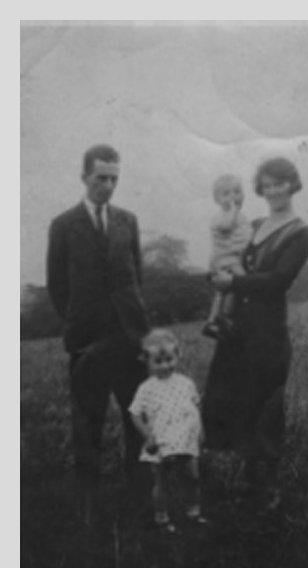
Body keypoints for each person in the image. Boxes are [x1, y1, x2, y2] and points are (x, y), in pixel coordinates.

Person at [203, 157, 308, 509]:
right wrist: (218, 272)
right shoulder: (254, 224)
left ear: (292, 184)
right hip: (238, 329)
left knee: (265, 407)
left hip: (267, 332)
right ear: (260, 189)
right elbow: (227, 249)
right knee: (235, 402)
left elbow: (279, 281)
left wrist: (234, 280)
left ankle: (267, 490)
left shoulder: (300, 232)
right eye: (266, 185)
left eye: (280, 183)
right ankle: (247, 484)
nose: (273, 190)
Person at [46, 144, 149, 506]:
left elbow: (136, 275)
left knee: (136, 416)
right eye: (100, 178)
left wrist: (137, 327)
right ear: (84, 177)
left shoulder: (128, 221)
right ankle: (88, 500)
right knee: (87, 421)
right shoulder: (63, 225)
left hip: (130, 338)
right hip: (87, 341)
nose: (108, 185)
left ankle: (139, 493)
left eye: (114, 179)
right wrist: (78, 324)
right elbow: (57, 284)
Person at [129, 329, 207, 533]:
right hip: (161, 441)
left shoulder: (186, 383)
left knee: (192, 476)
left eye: (169, 359)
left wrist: (200, 431)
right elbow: (135, 414)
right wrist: (148, 436)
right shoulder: (147, 388)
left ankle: (194, 512)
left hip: (186, 439)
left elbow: (195, 408)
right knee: (161, 482)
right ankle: (162, 518)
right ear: (147, 361)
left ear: (177, 355)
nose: (165, 365)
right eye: (158, 361)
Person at [202, 174, 251, 339]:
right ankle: (226, 318)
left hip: (229, 258)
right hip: (226, 259)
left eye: (237, 192)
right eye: (226, 194)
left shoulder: (240, 216)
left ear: (243, 195)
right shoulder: (222, 216)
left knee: (224, 291)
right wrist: (232, 209)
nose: (232, 197)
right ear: (217, 199)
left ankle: (212, 321)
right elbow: (226, 225)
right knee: (242, 283)